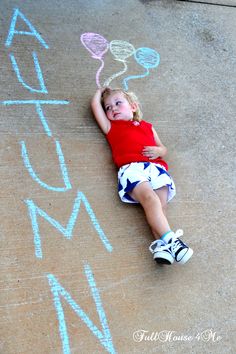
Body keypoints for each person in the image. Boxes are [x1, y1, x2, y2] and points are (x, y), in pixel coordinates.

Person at [91, 87, 193, 265]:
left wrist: (159, 150)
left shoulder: (148, 127)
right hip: (132, 169)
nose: (112, 108)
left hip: (156, 168)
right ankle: (172, 241)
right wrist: (100, 92)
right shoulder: (111, 127)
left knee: (160, 206)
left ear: (133, 106)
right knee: (150, 200)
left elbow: (163, 148)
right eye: (108, 107)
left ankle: (162, 248)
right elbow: (95, 105)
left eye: (118, 103)